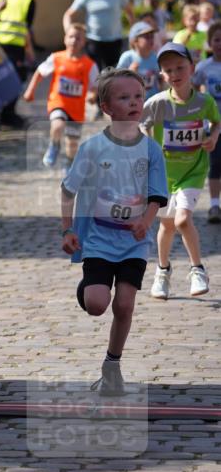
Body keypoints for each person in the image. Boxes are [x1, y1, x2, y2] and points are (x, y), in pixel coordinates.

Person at [61, 69, 168, 396]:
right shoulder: (93, 148)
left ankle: (112, 366)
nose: (134, 102)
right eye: (124, 98)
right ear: (107, 107)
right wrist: (67, 230)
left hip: (133, 242)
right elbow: (68, 191)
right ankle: (89, 286)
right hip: (98, 238)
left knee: (124, 306)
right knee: (96, 304)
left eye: (138, 96)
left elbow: (157, 196)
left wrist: (146, 221)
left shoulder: (151, 150)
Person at [142, 42, 220, 299]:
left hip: (193, 171)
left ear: (192, 68)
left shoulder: (204, 101)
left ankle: (197, 269)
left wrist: (213, 137)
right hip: (163, 175)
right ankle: (162, 271)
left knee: (182, 219)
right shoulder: (157, 103)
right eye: (168, 70)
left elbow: (216, 122)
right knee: (166, 225)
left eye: (180, 68)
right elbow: (141, 125)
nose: (175, 74)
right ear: (161, 75)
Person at [23, 23, 98, 174]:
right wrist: (30, 90)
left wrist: (92, 95)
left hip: (76, 110)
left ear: (84, 42)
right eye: (71, 37)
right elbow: (39, 72)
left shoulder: (89, 65)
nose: (74, 40)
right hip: (58, 103)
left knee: (72, 144)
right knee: (57, 125)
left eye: (78, 38)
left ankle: (69, 162)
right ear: (65, 39)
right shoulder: (57, 58)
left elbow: (95, 85)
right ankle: (54, 145)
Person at [63, 0, 133, 71]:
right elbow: (68, 15)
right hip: (93, 40)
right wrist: (69, 31)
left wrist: (133, 33)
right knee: (94, 71)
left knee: (113, 71)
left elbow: (129, 12)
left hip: (114, 40)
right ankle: (97, 87)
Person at [193, 21, 221, 222]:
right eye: (217, 40)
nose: (220, 43)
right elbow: (192, 91)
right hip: (213, 125)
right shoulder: (204, 67)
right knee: (215, 164)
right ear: (210, 43)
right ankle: (214, 206)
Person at [116, 21, 162, 96]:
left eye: (152, 36)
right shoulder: (127, 57)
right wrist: (129, 73)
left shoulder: (156, 57)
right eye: (147, 37)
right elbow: (116, 80)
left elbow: (160, 79)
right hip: (133, 101)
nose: (151, 39)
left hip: (152, 101)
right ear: (135, 41)